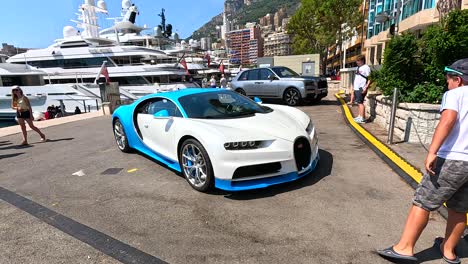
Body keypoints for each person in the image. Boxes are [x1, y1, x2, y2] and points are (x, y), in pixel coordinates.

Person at [377, 58, 468, 264]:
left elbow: (448, 120)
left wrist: (432, 151)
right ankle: (449, 251)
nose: (447, 83)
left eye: (449, 79)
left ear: (459, 80)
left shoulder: (454, 94)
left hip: (452, 158)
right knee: (460, 208)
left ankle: (404, 248)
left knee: (423, 201)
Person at [352, 55, 371, 123]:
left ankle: (362, 118)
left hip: (361, 88)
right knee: (358, 103)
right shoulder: (358, 67)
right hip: (357, 88)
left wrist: (366, 88)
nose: (357, 62)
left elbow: (370, 78)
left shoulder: (366, 67)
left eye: (358, 61)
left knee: (360, 103)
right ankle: (360, 116)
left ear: (362, 60)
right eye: (357, 61)